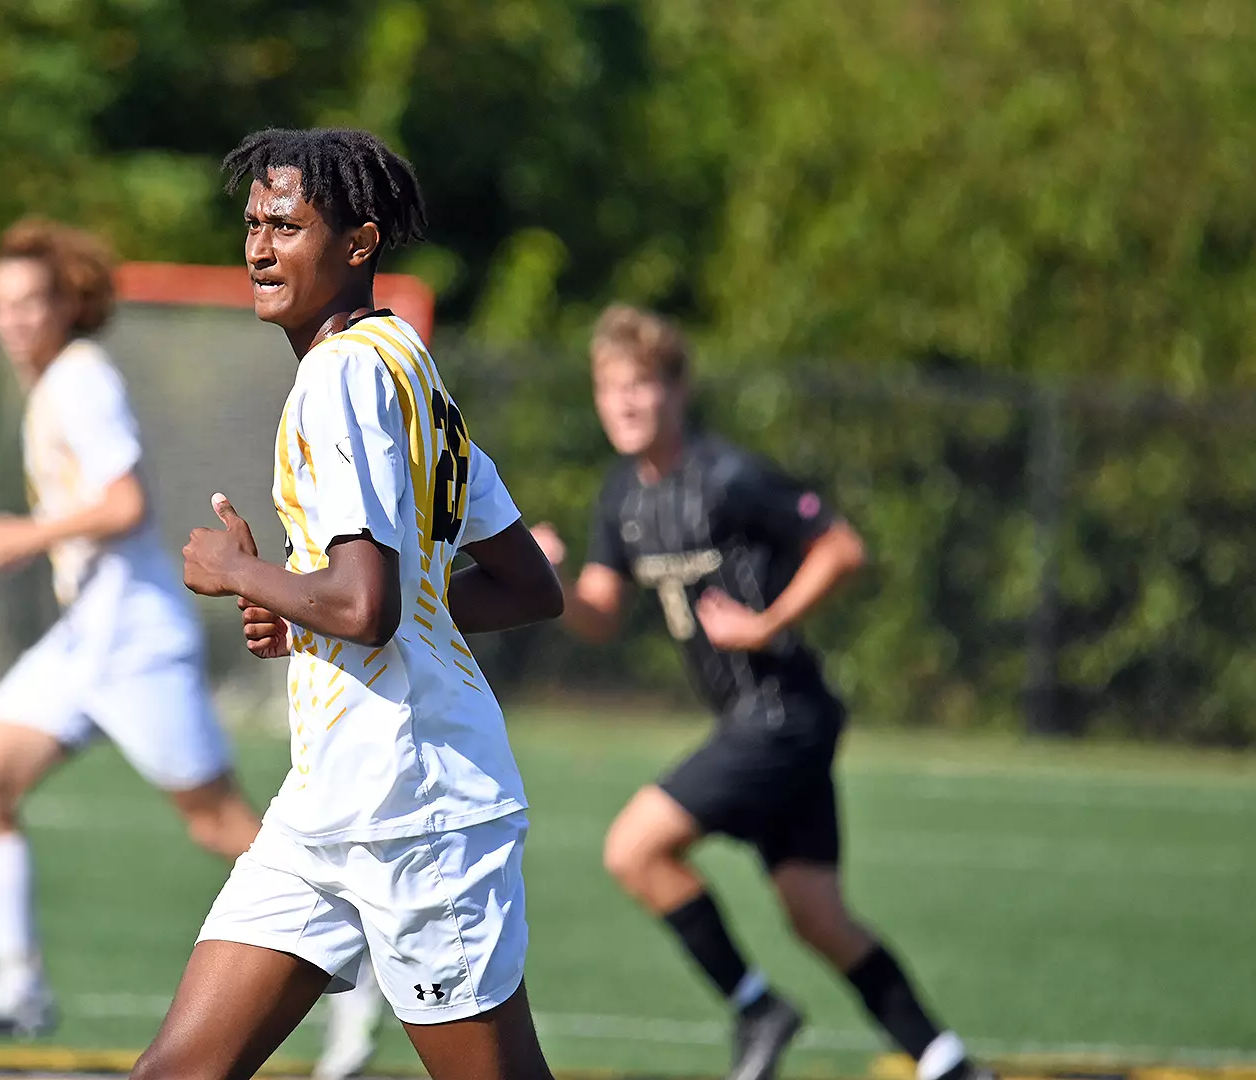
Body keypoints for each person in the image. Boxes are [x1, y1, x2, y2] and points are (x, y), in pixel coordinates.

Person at [140, 127, 565, 1080]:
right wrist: (305, 613)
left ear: (360, 244)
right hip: (329, 803)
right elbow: (522, 584)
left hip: (417, 811)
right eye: (252, 223)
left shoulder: (339, 376)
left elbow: (366, 603)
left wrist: (238, 573)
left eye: (287, 225)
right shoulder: (409, 370)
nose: (258, 248)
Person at [0, 218, 384, 1058]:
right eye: (2, 305)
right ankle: (18, 986)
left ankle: (363, 959)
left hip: (133, 643)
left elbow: (125, 503)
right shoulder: (52, 383)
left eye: (32, 301)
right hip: (84, 639)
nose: (14, 319)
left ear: (71, 304)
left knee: (220, 826)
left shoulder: (80, 379)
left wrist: (16, 537)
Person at [530, 305, 994, 1080]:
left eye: (641, 385)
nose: (625, 404)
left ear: (678, 390)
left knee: (634, 848)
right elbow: (602, 616)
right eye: (610, 389)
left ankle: (757, 1008)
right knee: (818, 916)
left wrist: (769, 621)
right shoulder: (621, 496)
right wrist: (548, 584)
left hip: (781, 714)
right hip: (768, 723)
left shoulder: (728, 475)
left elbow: (842, 547)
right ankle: (949, 1064)